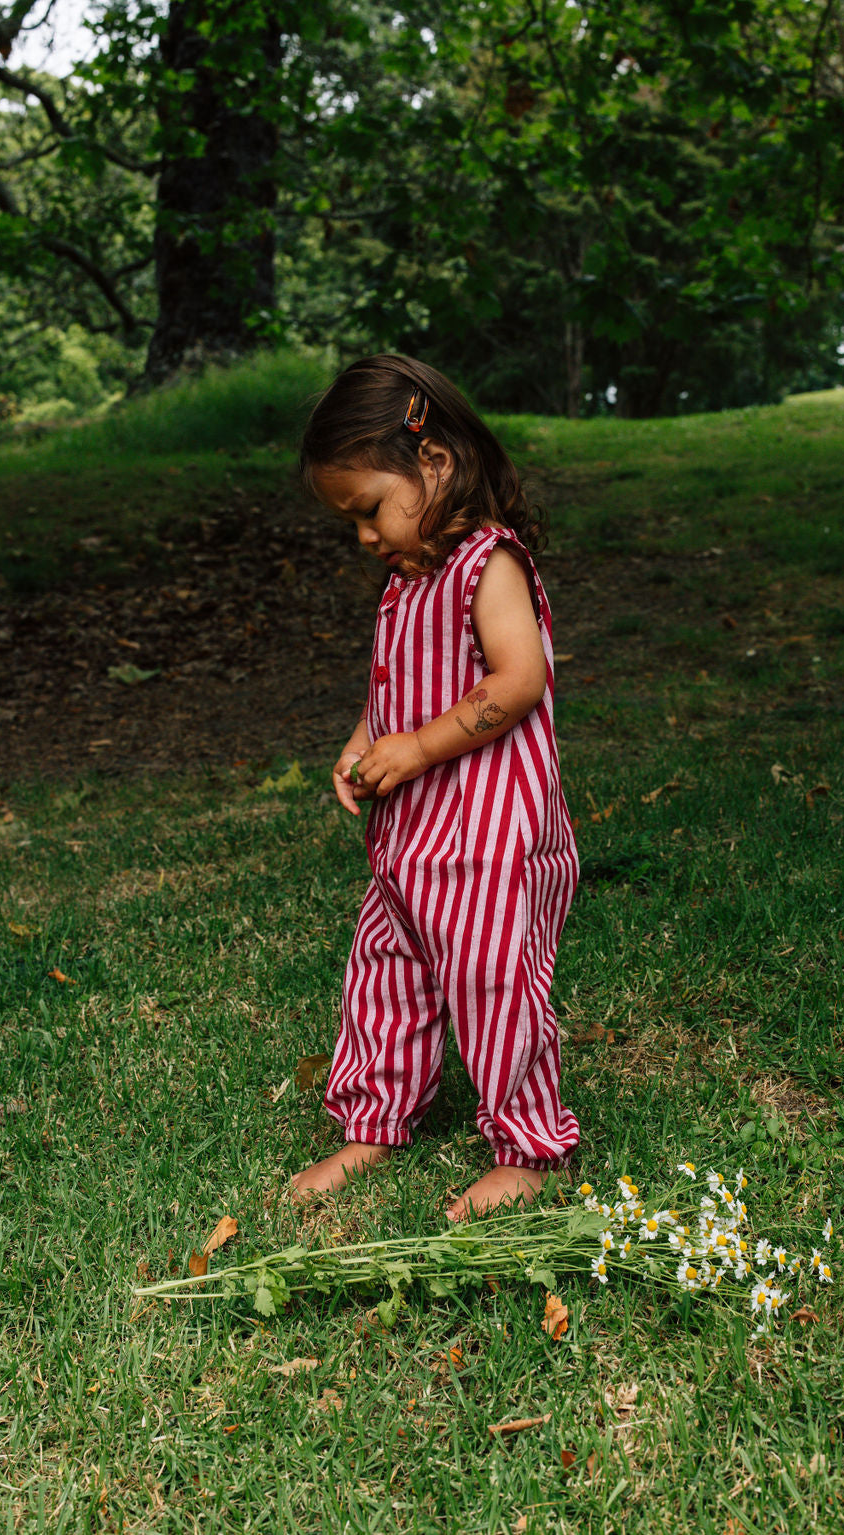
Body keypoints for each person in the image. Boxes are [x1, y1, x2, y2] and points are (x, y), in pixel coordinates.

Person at [292, 354, 579, 1222]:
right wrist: (364, 741)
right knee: (384, 972)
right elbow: (395, 692)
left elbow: (519, 676)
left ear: (435, 464)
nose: (366, 536)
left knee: (491, 978)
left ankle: (527, 1145)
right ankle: (376, 1120)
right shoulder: (404, 582)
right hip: (414, 840)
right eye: (352, 522)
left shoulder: (487, 565)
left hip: (489, 838)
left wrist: (416, 747)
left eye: (370, 509)